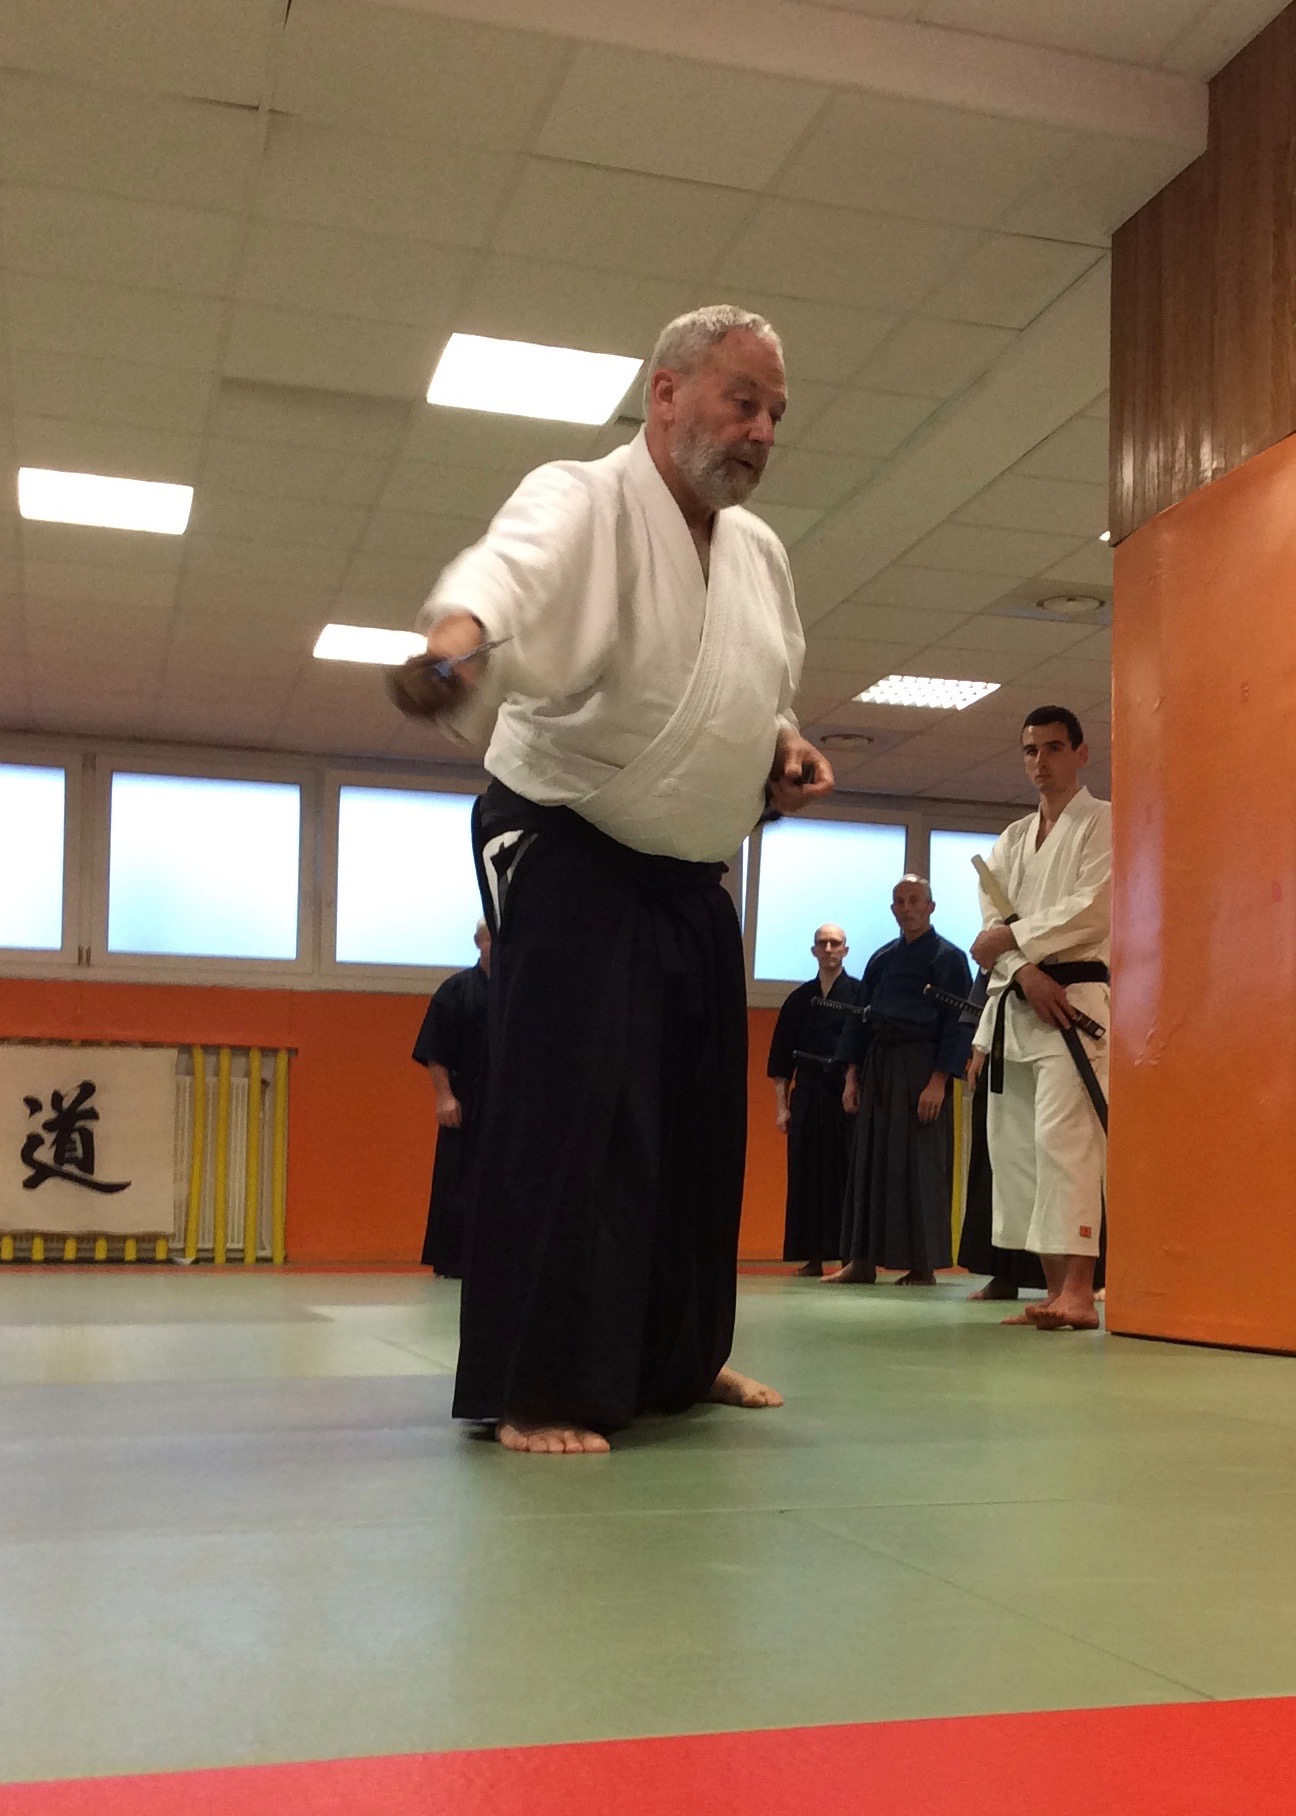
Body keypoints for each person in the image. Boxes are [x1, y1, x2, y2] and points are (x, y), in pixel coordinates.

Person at [390, 304, 833, 1454]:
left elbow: (761, 685)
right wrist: (455, 644)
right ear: (667, 394)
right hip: (566, 836)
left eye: (776, 413)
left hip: (689, 871)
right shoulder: (581, 497)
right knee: (573, 1114)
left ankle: (675, 1356)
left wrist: (783, 746)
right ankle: (537, 1383)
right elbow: (507, 579)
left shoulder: (760, 554)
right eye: (743, 401)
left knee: (695, 1124)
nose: (763, 431)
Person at [965, 707, 1110, 1332]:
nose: (1040, 761)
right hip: (1018, 1004)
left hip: (1075, 1002)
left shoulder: (1104, 822)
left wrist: (1015, 943)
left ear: (1080, 753)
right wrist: (1024, 970)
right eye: (1031, 750)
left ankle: (1080, 1290)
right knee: (1020, 1150)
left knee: (1066, 1143)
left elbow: (1094, 907)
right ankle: (1053, 1292)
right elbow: (991, 927)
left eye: (1053, 748)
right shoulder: (1012, 838)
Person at [827, 877, 973, 1286]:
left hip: (922, 1065)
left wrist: (939, 1080)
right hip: (879, 1064)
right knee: (869, 1161)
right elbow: (859, 1018)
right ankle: (861, 1260)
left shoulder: (949, 958)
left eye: (915, 901)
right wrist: (851, 1077)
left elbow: (959, 1023)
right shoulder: (881, 958)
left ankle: (922, 1265)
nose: (907, 908)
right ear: (892, 909)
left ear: (930, 907)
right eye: (900, 902)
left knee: (920, 1162)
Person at [767, 924, 855, 1277]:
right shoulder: (798, 999)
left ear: (845, 950)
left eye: (836, 943)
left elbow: (862, 1049)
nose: (829, 948)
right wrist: (782, 1108)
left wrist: (855, 1085)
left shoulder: (858, 993)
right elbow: (780, 1058)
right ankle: (812, 1256)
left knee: (845, 1173)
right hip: (806, 1094)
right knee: (806, 1174)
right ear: (814, 951)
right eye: (823, 943)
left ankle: (850, 1257)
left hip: (845, 1095)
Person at [411, 920, 491, 1278]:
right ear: (477, 941)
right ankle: (455, 1259)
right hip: (465, 1095)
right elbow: (435, 1050)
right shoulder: (455, 990)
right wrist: (444, 1096)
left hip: (506, 1096)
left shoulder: (520, 991)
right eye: (489, 938)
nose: (496, 945)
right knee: (458, 1178)